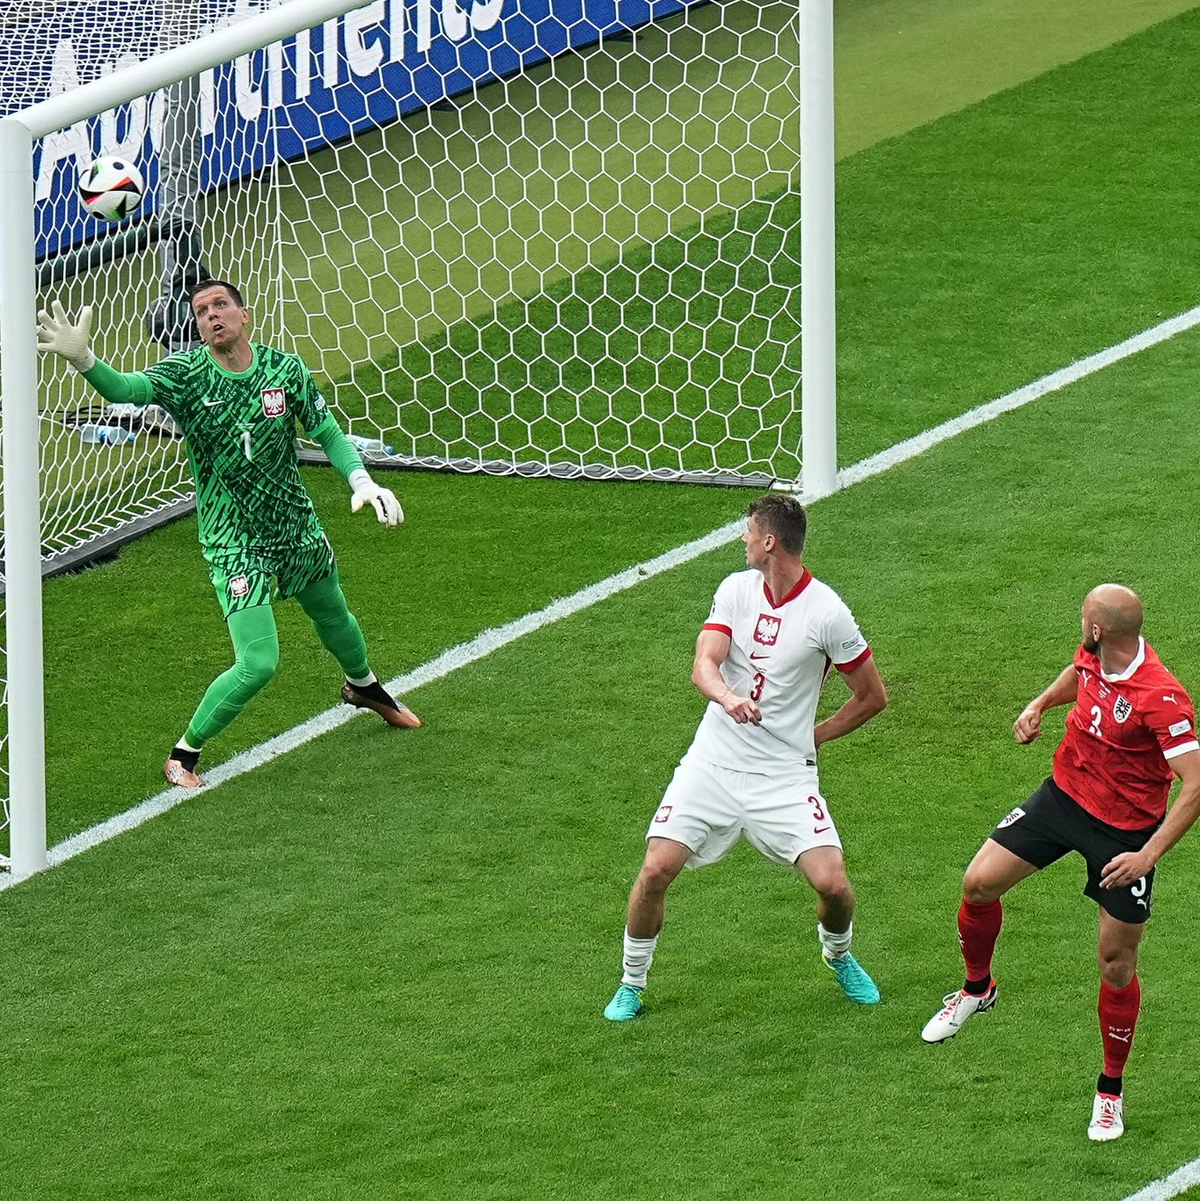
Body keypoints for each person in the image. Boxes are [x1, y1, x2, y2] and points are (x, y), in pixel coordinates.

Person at [37, 281, 421, 788]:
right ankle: (183, 754)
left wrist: (362, 480)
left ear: (244, 313)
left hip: (295, 526)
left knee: (336, 617)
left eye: (221, 306)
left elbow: (326, 431)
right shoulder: (187, 374)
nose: (212, 316)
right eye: (201, 311)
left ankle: (364, 687)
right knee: (258, 662)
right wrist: (85, 359)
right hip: (233, 539)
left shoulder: (285, 370)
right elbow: (127, 391)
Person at [920, 584, 1200, 1142]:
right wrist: (1040, 703)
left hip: (1125, 835)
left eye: (1084, 618)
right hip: (1063, 799)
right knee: (978, 884)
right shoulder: (1094, 654)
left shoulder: (1161, 698)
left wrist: (1147, 855)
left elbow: (1195, 785)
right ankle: (978, 990)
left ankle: (1109, 1092)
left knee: (1115, 962)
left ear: (1099, 629)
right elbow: (1078, 675)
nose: (1080, 624)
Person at [603, 494, 888, 1021]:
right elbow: (703, 664)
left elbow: (872, 696)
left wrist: (815, 735)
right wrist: (729, 698)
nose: (742, 539)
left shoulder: (828, 612)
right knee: (655, 868)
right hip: (713, 761)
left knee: (834, 885)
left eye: (748, 531)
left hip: (782, 775)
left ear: (770, 542)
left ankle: (839, 956)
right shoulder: (735, 590)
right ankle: (631, 982)